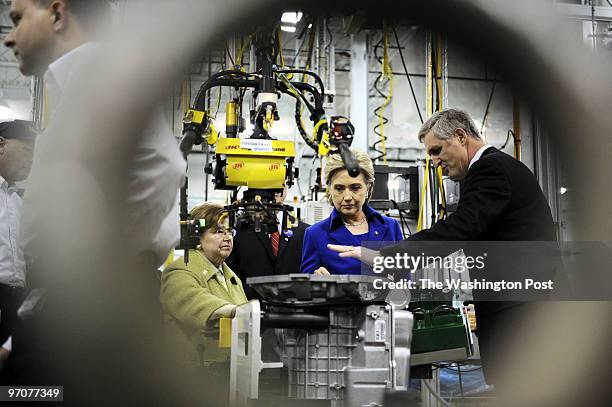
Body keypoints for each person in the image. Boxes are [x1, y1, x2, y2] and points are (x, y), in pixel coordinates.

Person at [2, 0, 185, 388]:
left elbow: (166, 166)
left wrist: (103, 261)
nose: (9, 37)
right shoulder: (77, 87)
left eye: (17, 19)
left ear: (56, 14)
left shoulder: (103, 80)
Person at [328, 108, 557, 393]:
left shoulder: (490, 168)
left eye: (436, 150)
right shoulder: (494, 169)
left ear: (460, 136)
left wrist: (389, 256)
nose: (435, 162)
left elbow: (461, 228)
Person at [160, 202, 247, 376]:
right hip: (191, 376)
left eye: (230, 232)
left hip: (228, 374)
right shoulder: (180, 271)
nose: (228, 237)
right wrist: (242, 313)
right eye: (219, 232)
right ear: (196, 237)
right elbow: (197, 303)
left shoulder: (231, 277)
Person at [301, 149, 403, 275]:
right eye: (339, 188)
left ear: (368, 188)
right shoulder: (315, 234)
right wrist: (316, 281)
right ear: (330, 190)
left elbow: (404, 281)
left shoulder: (390, 227)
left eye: (355, 188)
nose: (347, 196)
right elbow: (305, 287)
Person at [226, 188, 309, 300]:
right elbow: (229, 272)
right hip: (250, 307)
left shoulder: (305, 232)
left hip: (294, 310)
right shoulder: (237, 230)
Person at [0, 120, 36, 369]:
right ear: (1, 145)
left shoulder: (18, 202)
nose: (32, 160)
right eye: (27, 150)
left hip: (15, 304)